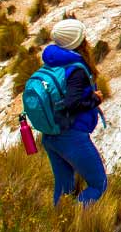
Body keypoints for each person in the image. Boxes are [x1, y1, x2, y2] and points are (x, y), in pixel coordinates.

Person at [38, 18, 107, 205]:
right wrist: (95, 99)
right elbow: (72, 104)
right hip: (71, 136)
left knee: (63, 190)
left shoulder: (53, 61)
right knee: (98, 184)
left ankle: (59, 225)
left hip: (51, 134)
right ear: (78, 42)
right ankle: (74, 220)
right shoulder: (76, 69)